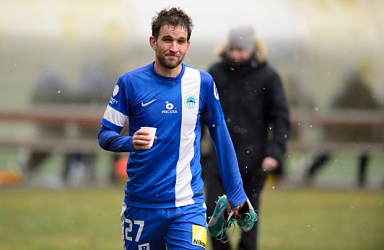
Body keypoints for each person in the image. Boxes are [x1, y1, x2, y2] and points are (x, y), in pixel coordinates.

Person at [97, 7, 248, 250]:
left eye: (180, 41)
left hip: (188, 206)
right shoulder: (129, 83)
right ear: (153, 42)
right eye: (167, 40)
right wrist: (130, 142)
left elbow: (222, 138)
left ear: (188, 45)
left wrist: (236, 194)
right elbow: (104, 136)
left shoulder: (203, 83)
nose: (173, 48)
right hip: (142, 204)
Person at [202, 26, 291, 250]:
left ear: (252, 50)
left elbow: (280, 117)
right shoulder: (215, 73)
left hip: (253, 162)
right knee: (214, 214)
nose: (236, 55)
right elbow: (200, 113)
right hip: (219, 160)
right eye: (232, 49)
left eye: (241, 50)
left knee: (247, 221)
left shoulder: (268, 76)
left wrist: (274, 153)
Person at [304, 69, 380, 187]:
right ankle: (361, 180)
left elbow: (333, 110)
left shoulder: (346, 93)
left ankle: (310, 172)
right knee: (363, 151)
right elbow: (376, 107)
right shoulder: (365, 91)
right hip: (360, 135)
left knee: (328, 152)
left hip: (343, 134)